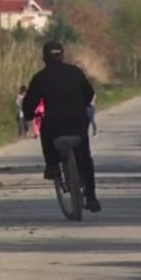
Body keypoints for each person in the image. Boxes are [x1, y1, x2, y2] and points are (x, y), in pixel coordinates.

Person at [23, 40, 100, 213]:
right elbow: (89, 94)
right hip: (78, 122)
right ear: (63, 56)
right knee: (85, 157)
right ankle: (92, 197)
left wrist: (30, 115)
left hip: (55, 123)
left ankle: (52, 166)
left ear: (44, 58)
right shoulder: (76, 73)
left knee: (45, 132)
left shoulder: (40, 78)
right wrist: (81, 104)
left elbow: (29, 104)